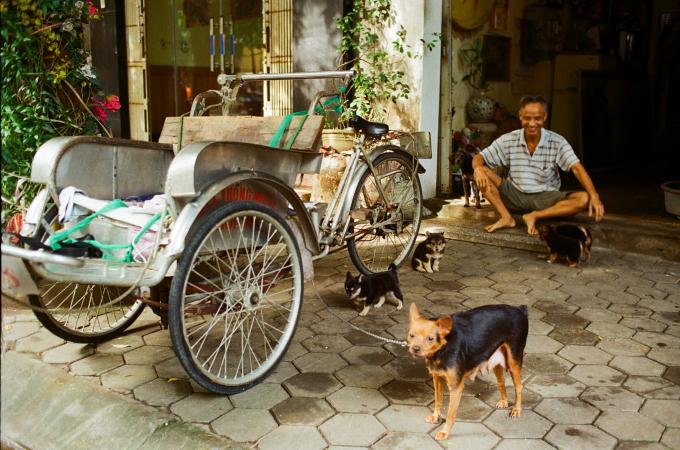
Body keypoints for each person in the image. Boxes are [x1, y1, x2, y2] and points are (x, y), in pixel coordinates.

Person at [472, 95, 605, 235]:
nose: (532, 123)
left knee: (584, 198)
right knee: (480, 171)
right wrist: (478, 168)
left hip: (545, 199)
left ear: (545, 117)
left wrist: (595, 196)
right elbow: (479, 157)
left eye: (537, 118)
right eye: (527, 118)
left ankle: (535, 216)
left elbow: (577, 169)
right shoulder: (509, 139)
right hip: (514, 195)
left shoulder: (557, 141)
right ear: (520, 116)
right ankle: (506, 217)